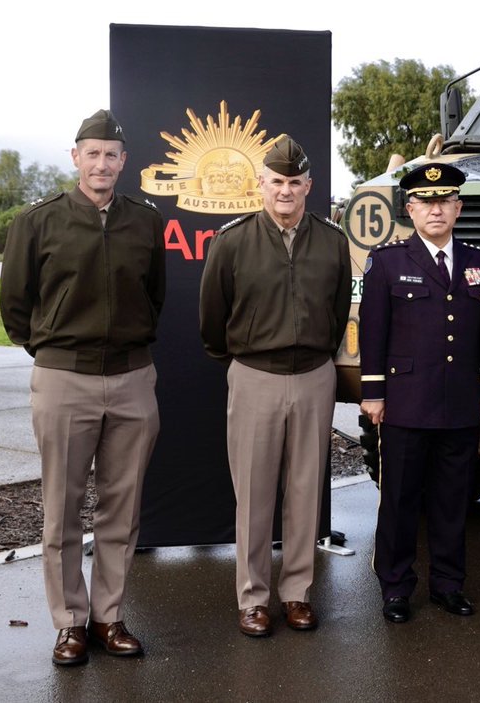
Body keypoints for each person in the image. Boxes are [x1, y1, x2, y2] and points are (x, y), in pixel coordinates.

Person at [0, 108, 165, 666]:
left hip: (132, 377)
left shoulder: (144, 221)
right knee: (62, 508)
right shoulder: (37, 221)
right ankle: (69, 623)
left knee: (122, 507)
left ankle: (108, 617)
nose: (101, 163)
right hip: (63, 378)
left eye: (111, 155)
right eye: (91, 153)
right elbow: (16, 307)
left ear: (123, 162)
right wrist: (56, 352)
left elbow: (154, 296)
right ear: (75, 158)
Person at [199, 136, 352, 638]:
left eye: (295, 182)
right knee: (254, 493)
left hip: (313, 376)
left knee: (305, 492)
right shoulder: (233, 240)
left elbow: (335, 314)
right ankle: (254, 598)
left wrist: (317, 357)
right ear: (260, 184)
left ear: (309, 185)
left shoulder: (332, 241)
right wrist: (243, 359)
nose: (286, 190)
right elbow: (212, 318)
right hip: (255, 376)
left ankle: (297, 593)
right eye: (277, 181)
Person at [358, 162, 480, 624]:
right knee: (400, 499)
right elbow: (373, 332)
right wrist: (374, 392)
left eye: (445, 202)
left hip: (460, 401)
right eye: (426, 202)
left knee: (452, 499)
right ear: (411, 208)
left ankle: (448, 584)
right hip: (405, 400)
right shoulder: (387, 261)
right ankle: (396, 587)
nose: (436, 210)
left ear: (458, 208)